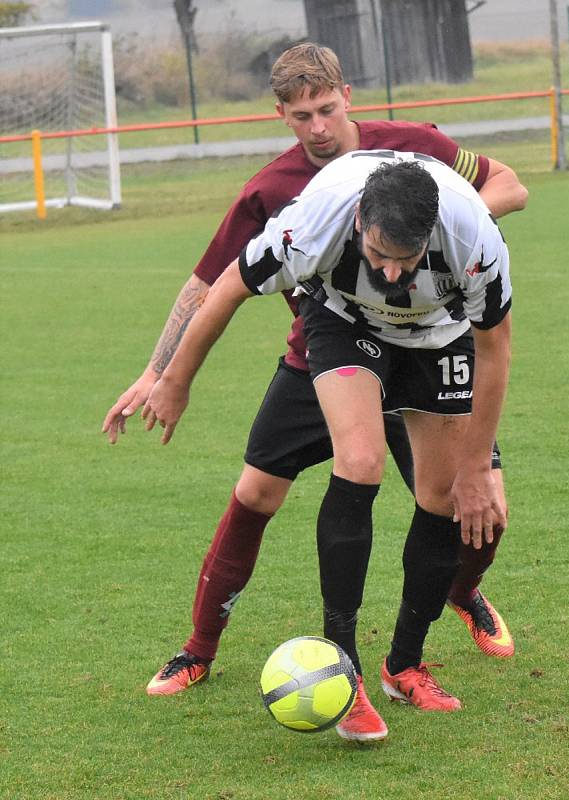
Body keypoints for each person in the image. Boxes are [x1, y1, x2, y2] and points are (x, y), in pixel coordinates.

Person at [102, 45, 526, 703]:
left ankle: (448, 605)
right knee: (278, 488)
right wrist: (164, 375)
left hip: (431, 337)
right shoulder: (293, 206)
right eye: (302, 115)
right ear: (282, 116)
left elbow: (494, 336)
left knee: (471, 501)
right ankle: (217, 651)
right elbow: (214, 285)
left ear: (347, 97)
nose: (317, 126)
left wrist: (476, 462)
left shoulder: (444, 194)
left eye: (326, 109)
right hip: (331, 345)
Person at [142, 152, 513, 743]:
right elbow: (229, 288)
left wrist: (476, 463)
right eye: (378, 255)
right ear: (361, 219)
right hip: (347, 324)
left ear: (431, 236)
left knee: (441, 496)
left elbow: (495, 352)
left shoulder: (475, 239)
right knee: (360, 462)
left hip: (439, 338)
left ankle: (405, 666)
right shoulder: (312, 222)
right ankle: (345, 669)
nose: (391, 273)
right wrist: (175, 381)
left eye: (406, 259)